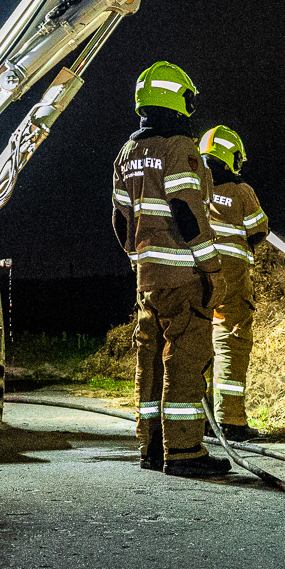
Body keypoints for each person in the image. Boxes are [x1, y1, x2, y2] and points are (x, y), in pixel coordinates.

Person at [111, 61, 231, 478]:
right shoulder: (179, 147)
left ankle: (151, 448)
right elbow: (185, 208)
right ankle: (183, 453)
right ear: (176, 99)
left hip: (147, 280)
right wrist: (211, 267)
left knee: (149, 360)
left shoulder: (127, 153)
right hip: (183, 276)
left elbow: (120, 217)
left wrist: (136, 256)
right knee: (184, 359)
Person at [199, 125, 268, 442]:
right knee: (231, 341)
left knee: (193, 344)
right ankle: (230, 422)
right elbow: (259, 229)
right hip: (231, 279)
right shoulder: (242, 192)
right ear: (231, 158)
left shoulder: (192, 190)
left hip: (196, 275)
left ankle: (197, 418)